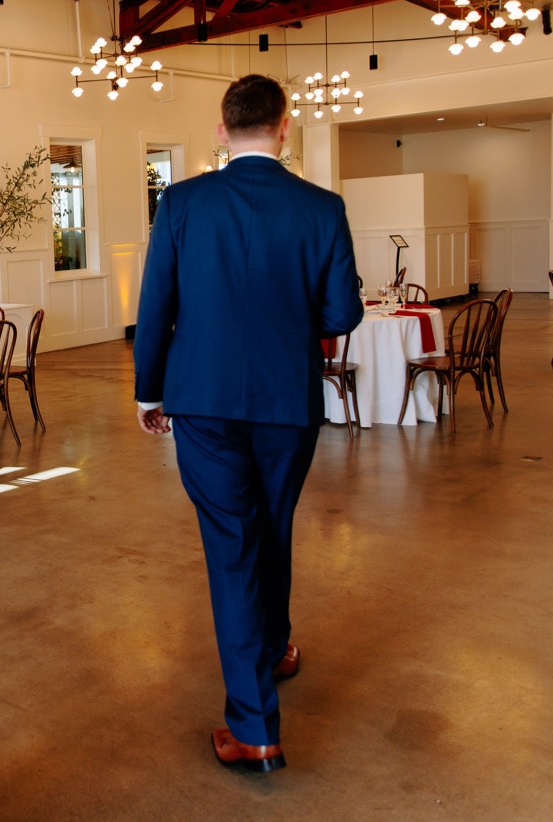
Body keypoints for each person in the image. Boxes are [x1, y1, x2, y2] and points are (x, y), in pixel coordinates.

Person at [133, 75, 362, 774]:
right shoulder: (323, 207)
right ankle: (275, 649)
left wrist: (150, 392)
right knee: (274, 523)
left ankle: (255, 725)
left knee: (233, 542)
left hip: (200, 398)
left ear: (223, 130)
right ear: (285, 127)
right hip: (286, 401)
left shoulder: (182, 202)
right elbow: (342, 314)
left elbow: (156, 306)